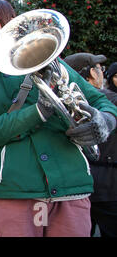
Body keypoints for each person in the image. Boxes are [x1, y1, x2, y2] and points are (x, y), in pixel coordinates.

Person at [0, 0, 117, 237]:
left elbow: (102, 102)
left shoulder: (56, 65)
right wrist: (38, 111)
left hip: (71, 187)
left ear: (9, 24)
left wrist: (104, 120)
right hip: (16, 192)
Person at [64, 53, 117, 237]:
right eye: (100, 69)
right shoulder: (109, 100)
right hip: (108, 185)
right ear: (92, 74)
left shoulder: (67, 102)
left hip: (76, 184)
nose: (102, 73)